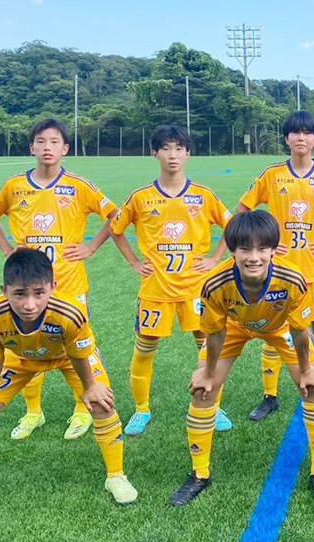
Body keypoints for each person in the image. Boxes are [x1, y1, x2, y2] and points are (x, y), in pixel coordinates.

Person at [0, 249, 136, 522]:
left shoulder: (70, 312)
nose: (30, 304)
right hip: (20, 358)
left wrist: (90, 387)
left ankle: (116, 476)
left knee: (100, 402)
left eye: (39, 293)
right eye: (20, 294)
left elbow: (79, 354)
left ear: (53, 287)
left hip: (68, 357)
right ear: (4, 291)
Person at [170, 211, 314, 506]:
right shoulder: (214, 284)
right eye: (245, 249)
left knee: (313, 387)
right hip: (234, 327)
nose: (253, 257)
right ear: (232, 251)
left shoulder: (292, 280)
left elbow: (299, 330)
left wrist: (307, 370)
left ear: (274, 250)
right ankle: (200, 473)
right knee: (203, 391)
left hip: (279, 327)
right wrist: (208, 373)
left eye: (262, 249)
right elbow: (215, 333)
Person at [0, 118, 118, 442]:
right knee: (27, 346)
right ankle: (33, 412)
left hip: (69, 284)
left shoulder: (79, 186)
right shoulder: (14, 186)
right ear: (32, 147)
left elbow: (116, 215)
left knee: (78, 348)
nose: (47, 147)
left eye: (54, 142)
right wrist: (8, 252)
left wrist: (90, 247)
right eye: (41, 141)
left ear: (65, 148)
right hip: (28, 287)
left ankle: (82, 409)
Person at [233, 110, 314, 422]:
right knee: (272, 331)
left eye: (307, 133)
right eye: (295, 132)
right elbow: (242, 210)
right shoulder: (272, 174)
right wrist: (263, 244)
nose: (301, 138)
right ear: (286, 138)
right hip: (276, 273)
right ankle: (270, 396)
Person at [110, 125, 234, 436]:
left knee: (208, 348)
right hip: (155, 289)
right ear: (155, 153)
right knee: (144, 349)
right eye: (165, 148)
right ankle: (141, 410)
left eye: (179, 148)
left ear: (188, 153)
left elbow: (232, 227)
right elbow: (116, 229)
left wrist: (215, 259)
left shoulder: (203, 195)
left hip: (196, 289)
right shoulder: (141, 197)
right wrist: (134, 262)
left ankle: (213, 404)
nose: (173, 155)